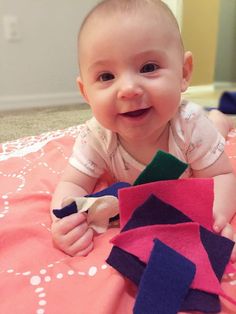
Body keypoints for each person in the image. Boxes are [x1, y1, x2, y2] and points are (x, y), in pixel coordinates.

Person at [50, 0, 236, 259]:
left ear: (183, 73)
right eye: (106, 76)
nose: (128, 89)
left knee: (214, 129)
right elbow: (72, 183)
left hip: (198, 135)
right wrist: (66, 219)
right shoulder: (96, 137)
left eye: (148, 68)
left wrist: (214, 217)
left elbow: (222, 176)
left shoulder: (190, 125)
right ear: (86, 93)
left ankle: (220, 119)